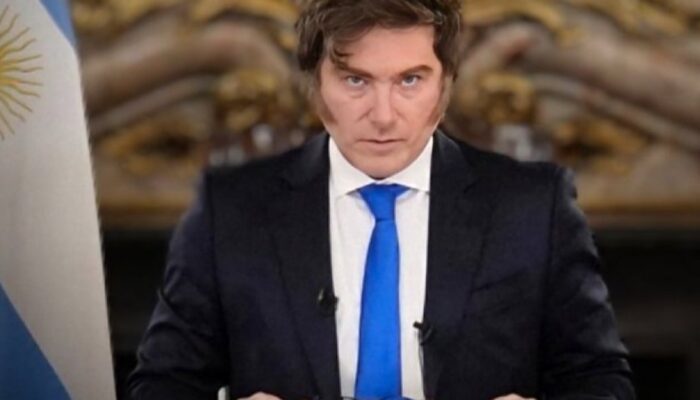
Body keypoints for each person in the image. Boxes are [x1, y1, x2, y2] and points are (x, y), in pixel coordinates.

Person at [128, 1, 634, 399]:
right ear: (315, 84)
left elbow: (600, 378)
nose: (384, 115)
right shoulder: (230, 210)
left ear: (445, 85)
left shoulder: (535, 206)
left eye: (410, 80)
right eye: (356, 80)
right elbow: (162, 383)